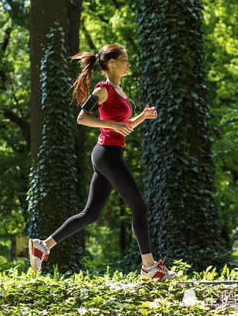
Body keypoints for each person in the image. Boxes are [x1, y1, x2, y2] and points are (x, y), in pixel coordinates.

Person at [28, 44, 175, 281]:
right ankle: (149, 267)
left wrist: (141, 118)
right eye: (125, 59)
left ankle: (43, 246)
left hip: (109, 152)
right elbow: (82, 118)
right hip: (107, 154)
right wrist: (113, 125)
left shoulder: (119, 91)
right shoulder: (103, 89)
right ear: (113, 63)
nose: (128, 63)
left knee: (90, 214)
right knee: (139, 206)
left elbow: (122, 126)